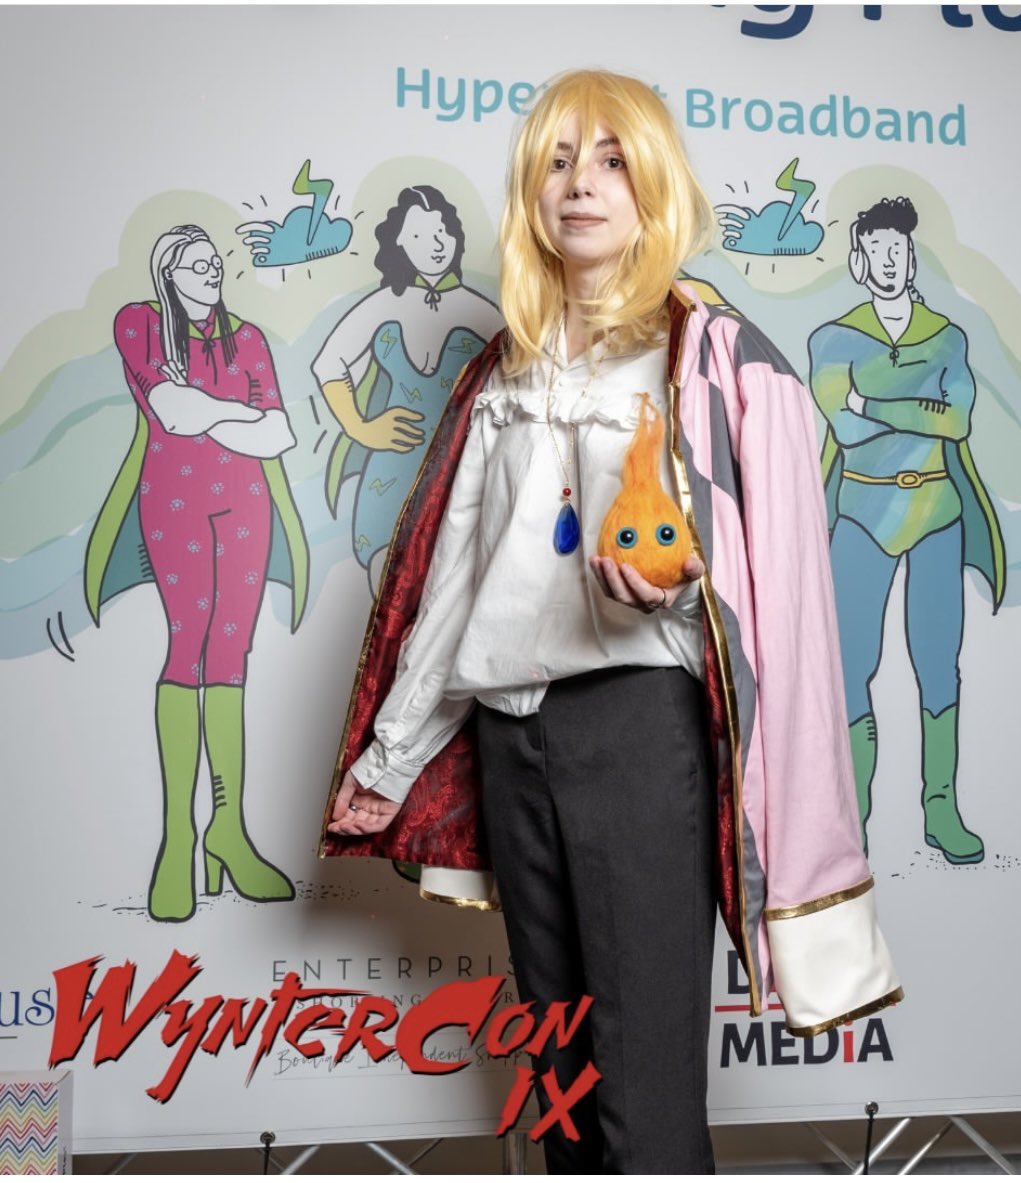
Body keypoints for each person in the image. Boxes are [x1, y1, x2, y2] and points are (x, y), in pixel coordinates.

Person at [320, 72, 901, 1173]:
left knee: (642, 1094)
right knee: (564, 1089)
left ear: (655, 186)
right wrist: (391, 757)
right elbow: (454, 585)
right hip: (510, 738)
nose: (579, 183)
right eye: (557, 161)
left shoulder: (708, 355)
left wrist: (676, 584)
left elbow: (765, 586)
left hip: (637, 732)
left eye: (610, 159)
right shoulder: (504, 370)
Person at [86, 224, 308, 922]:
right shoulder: (140, 325)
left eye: (214, 262)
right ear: (168, 272)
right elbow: (172, 414)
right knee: (188, 647)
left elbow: (278, 433)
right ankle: (179, 839)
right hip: (175, 502)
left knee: (231, 657)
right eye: (194, 263)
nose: (210, 271)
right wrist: (235, 415)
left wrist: (212, 413)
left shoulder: (247, 338)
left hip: (245, 506)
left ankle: (227, 830)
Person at [808, 197, 1004, 864]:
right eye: (878, 251)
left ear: (911, 256)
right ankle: (853, 815)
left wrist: (873, 401)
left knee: (938, 661)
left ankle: (941, 809)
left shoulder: (948, 338)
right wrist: (915, 408)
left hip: (936, 515)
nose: (890, 261)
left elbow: (957, 422)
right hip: (861, 515)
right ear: (859, 261)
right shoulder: (832, 340)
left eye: (899, 249)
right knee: (849, 665)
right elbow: (845, 428)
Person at [312, 186, 500, 593]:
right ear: (398, 242)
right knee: (386, 596)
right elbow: (327, 364)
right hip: (389, 474)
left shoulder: (481, 310)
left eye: (442, 231)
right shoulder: (385, 304)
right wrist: (362, 428)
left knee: (451, 598)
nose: (436, 244)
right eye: (419, 234)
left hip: (463, 477)